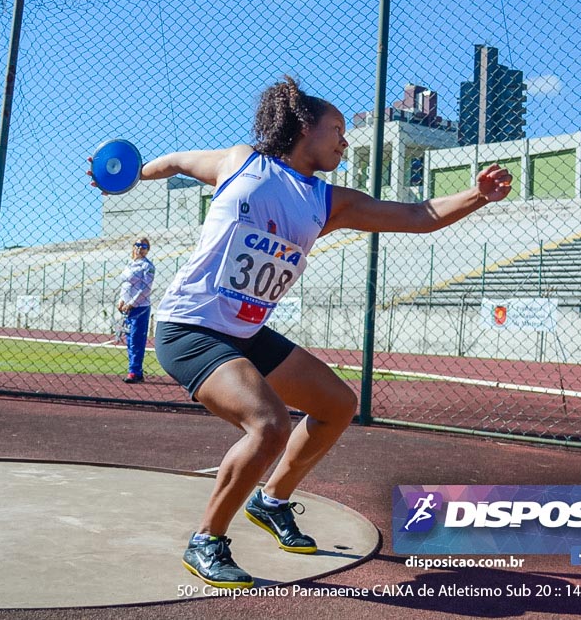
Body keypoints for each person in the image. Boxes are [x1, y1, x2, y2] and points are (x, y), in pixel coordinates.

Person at [93, 76, 512, 589]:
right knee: (268, 426)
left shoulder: (327, 201)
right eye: (336, 129)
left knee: (336, 405)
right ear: (303, 126)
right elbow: (178, 161)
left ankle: (271, 502)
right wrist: (133, 175)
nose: (344, 140)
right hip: (190, 327)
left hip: (245, 332)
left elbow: (417, 215)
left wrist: (477, 195)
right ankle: (207, 540)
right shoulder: (241, 162)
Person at [116, 237, 155, 383]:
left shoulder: (147, 266)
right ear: (133, 247)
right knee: (129, 338)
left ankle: (135, 371)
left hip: (140, 307)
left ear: (147, 249)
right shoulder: (130, 264)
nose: (140, 248)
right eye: (138, 245)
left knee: (136, 340)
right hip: (127, 307)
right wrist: (121, 300)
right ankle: (134, 369)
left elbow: (146, 289)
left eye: (144, 246)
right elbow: (125, 284)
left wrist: (131, 303)